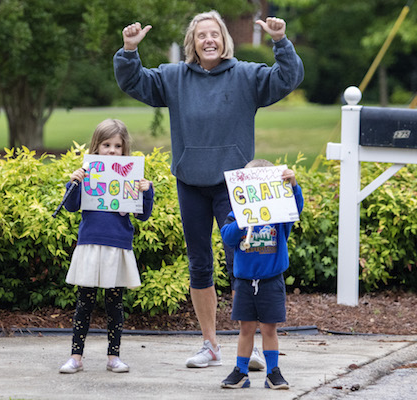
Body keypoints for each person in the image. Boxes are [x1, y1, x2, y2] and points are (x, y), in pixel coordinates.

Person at [114, 10, 304, 368]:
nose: (209, 40)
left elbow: (288, 77)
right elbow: (134, 82)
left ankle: (252, 346)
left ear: (225, 40)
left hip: (235, 187)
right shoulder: (174, 78)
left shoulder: (246, 75)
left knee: (242, 264)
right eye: (201, 35)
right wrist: (128, 50)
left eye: (214, 34)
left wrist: (280, 41)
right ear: (192, 43)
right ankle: (210, 344)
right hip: (191, 182)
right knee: (200, 265)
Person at [59, 119, 154, 374]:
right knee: (84, 303)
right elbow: (71, 206)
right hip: (91, 244)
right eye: (106, 145)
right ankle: (76, 357)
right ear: (96, 147)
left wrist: (147, 191)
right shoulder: (87, 173)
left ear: (124, 149)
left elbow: (143, 215)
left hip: (117, 246)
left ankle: (114, 356)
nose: (112, 151)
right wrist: (74, 182)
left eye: (117, 146)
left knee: (115, 305)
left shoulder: (133, 177)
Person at [219, 159, 304, 389]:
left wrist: (293, 186)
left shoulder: (279, 215)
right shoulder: (236, 214)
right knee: (245, 328)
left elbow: (295, 207)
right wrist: (243, 219)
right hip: (245, 282)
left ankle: (273, 372)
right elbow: (227, 237)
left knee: (269, 328)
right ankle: (241, 371)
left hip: (271, 280)